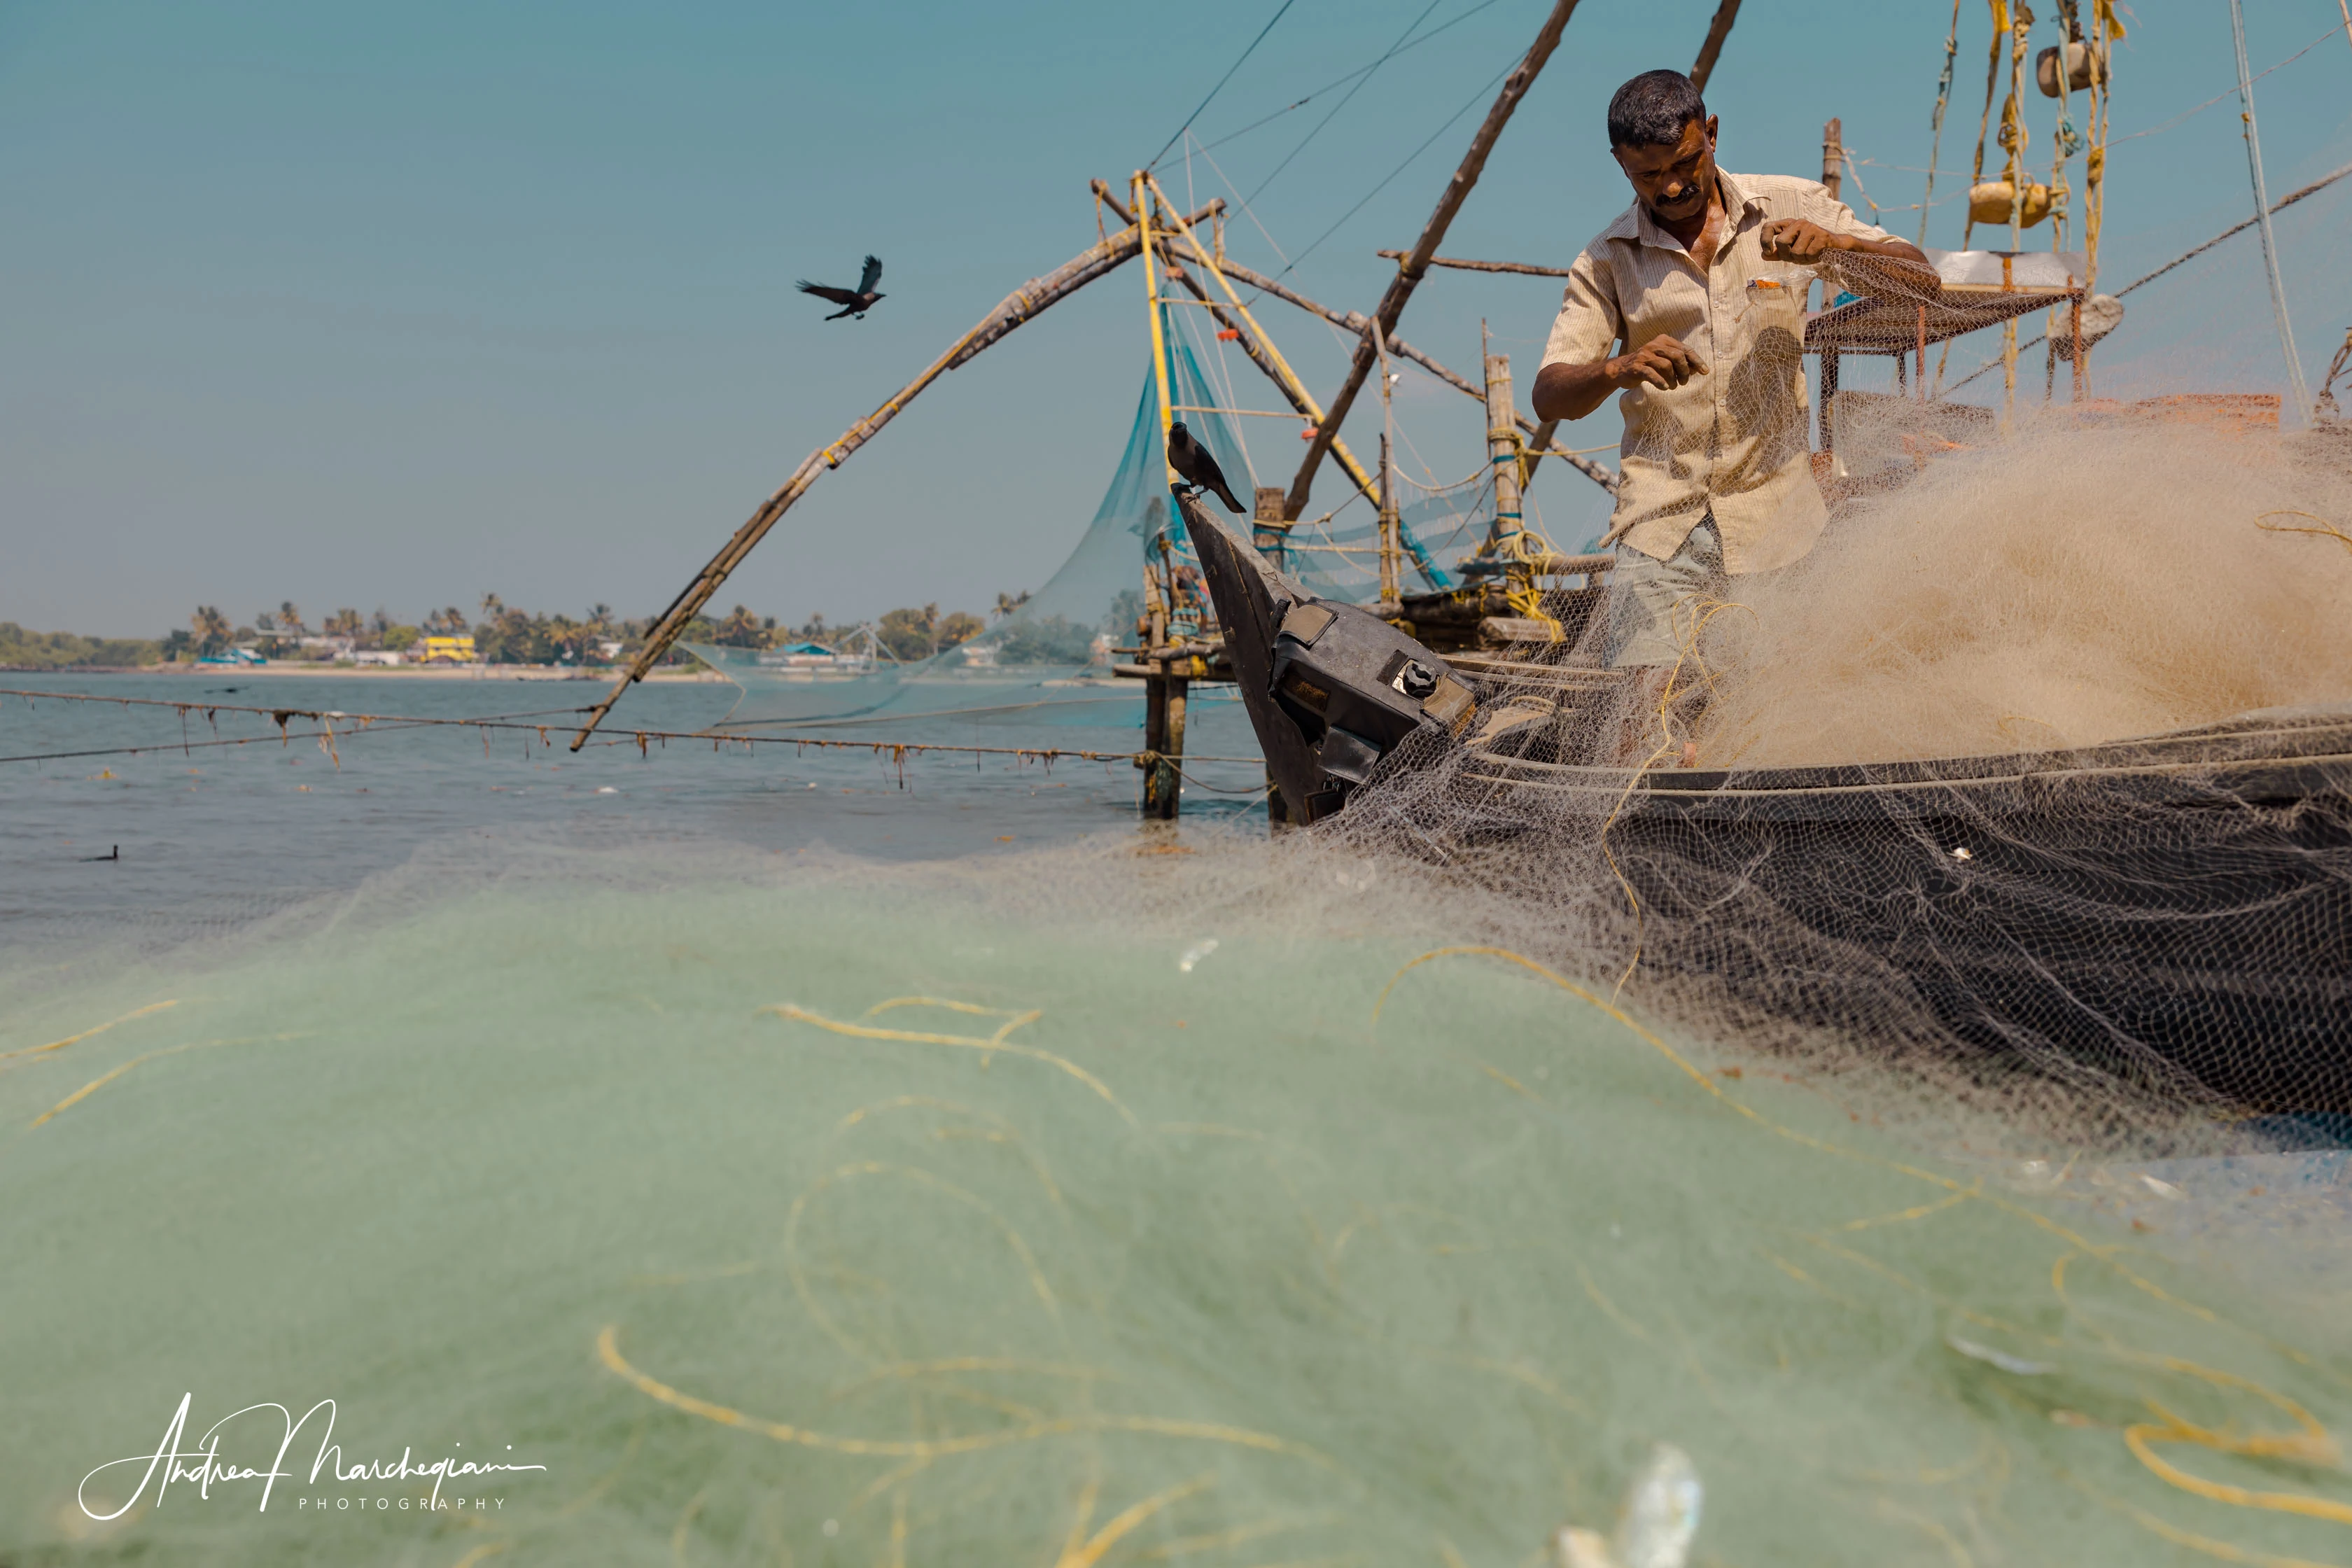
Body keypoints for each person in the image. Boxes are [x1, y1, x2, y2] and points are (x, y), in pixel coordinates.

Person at [1530, 69, 1938, 764]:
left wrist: (1841, 248)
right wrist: (1616, 368)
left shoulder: (1792, 206)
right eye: (1647, 176)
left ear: (1711, 134)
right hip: (1663, 516)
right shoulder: (1605, 260)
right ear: (1621, 167)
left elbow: (1923, 278)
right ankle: (1644, 824)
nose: (1670, 189)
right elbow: (1549, 394)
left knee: (1766, 713)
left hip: (1778, 515)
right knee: (1640, 717)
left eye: (1685, 164)